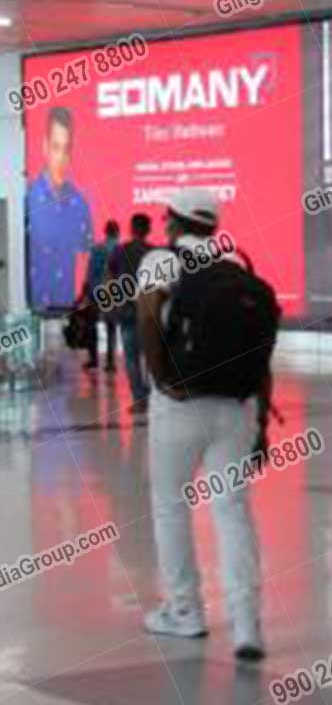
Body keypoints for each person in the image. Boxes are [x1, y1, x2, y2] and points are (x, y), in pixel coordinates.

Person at [137, 188, 264, 661]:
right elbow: (259, 348)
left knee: (170, 505)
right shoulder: (235, 267)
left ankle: (184, 611)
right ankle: (247, 624)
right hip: (236, 404)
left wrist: (161, 378)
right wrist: (262, 417)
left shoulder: (160, 260)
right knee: (232, 510)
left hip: (179, 403)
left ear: (172, 223)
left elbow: (148, 316)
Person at [27, 107, 93, 311]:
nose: (61, 158)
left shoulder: (81, 205)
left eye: (67, 149)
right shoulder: (27, 201)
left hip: (68, 311)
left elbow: (87, 258)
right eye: (56, 147)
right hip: (33, 311)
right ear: (45, 146)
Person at [108, 214, 153, 413]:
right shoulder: (153, 253)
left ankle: (139, 399)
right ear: (148, 230)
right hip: (150, 311)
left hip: (126, 311)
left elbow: (110, 278)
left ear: (131, 229)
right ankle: (152, 398)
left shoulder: (120, 251)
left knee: (131, 358)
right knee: (151, 357)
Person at [83, 220, 120, 371]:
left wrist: (86, 293)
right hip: (113, 292)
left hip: (96, 291)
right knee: (111, 327)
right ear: (117, 232)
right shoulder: (120, 249)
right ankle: (110, 362)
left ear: (105, 232)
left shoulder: (97, 249)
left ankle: (94, 359)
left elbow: (90, 273)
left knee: (91, 325)